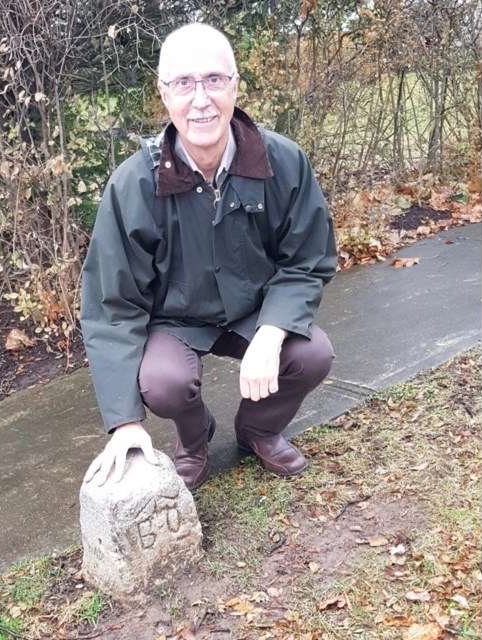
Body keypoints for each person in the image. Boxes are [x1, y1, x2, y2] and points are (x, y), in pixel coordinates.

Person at [80, 23, 337, 490]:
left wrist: (273, 330)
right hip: (175, 321)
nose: (201, 99)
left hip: (255, 312)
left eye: (215, 80)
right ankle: (194, 438)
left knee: (312, 352)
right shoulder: (132, 185)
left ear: (236, 84)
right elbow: (111, 305)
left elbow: (308, 259)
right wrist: (124, 422)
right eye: (183, 83)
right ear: (164, 94)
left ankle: (258, 429)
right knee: (163, 381)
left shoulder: (283, 161)